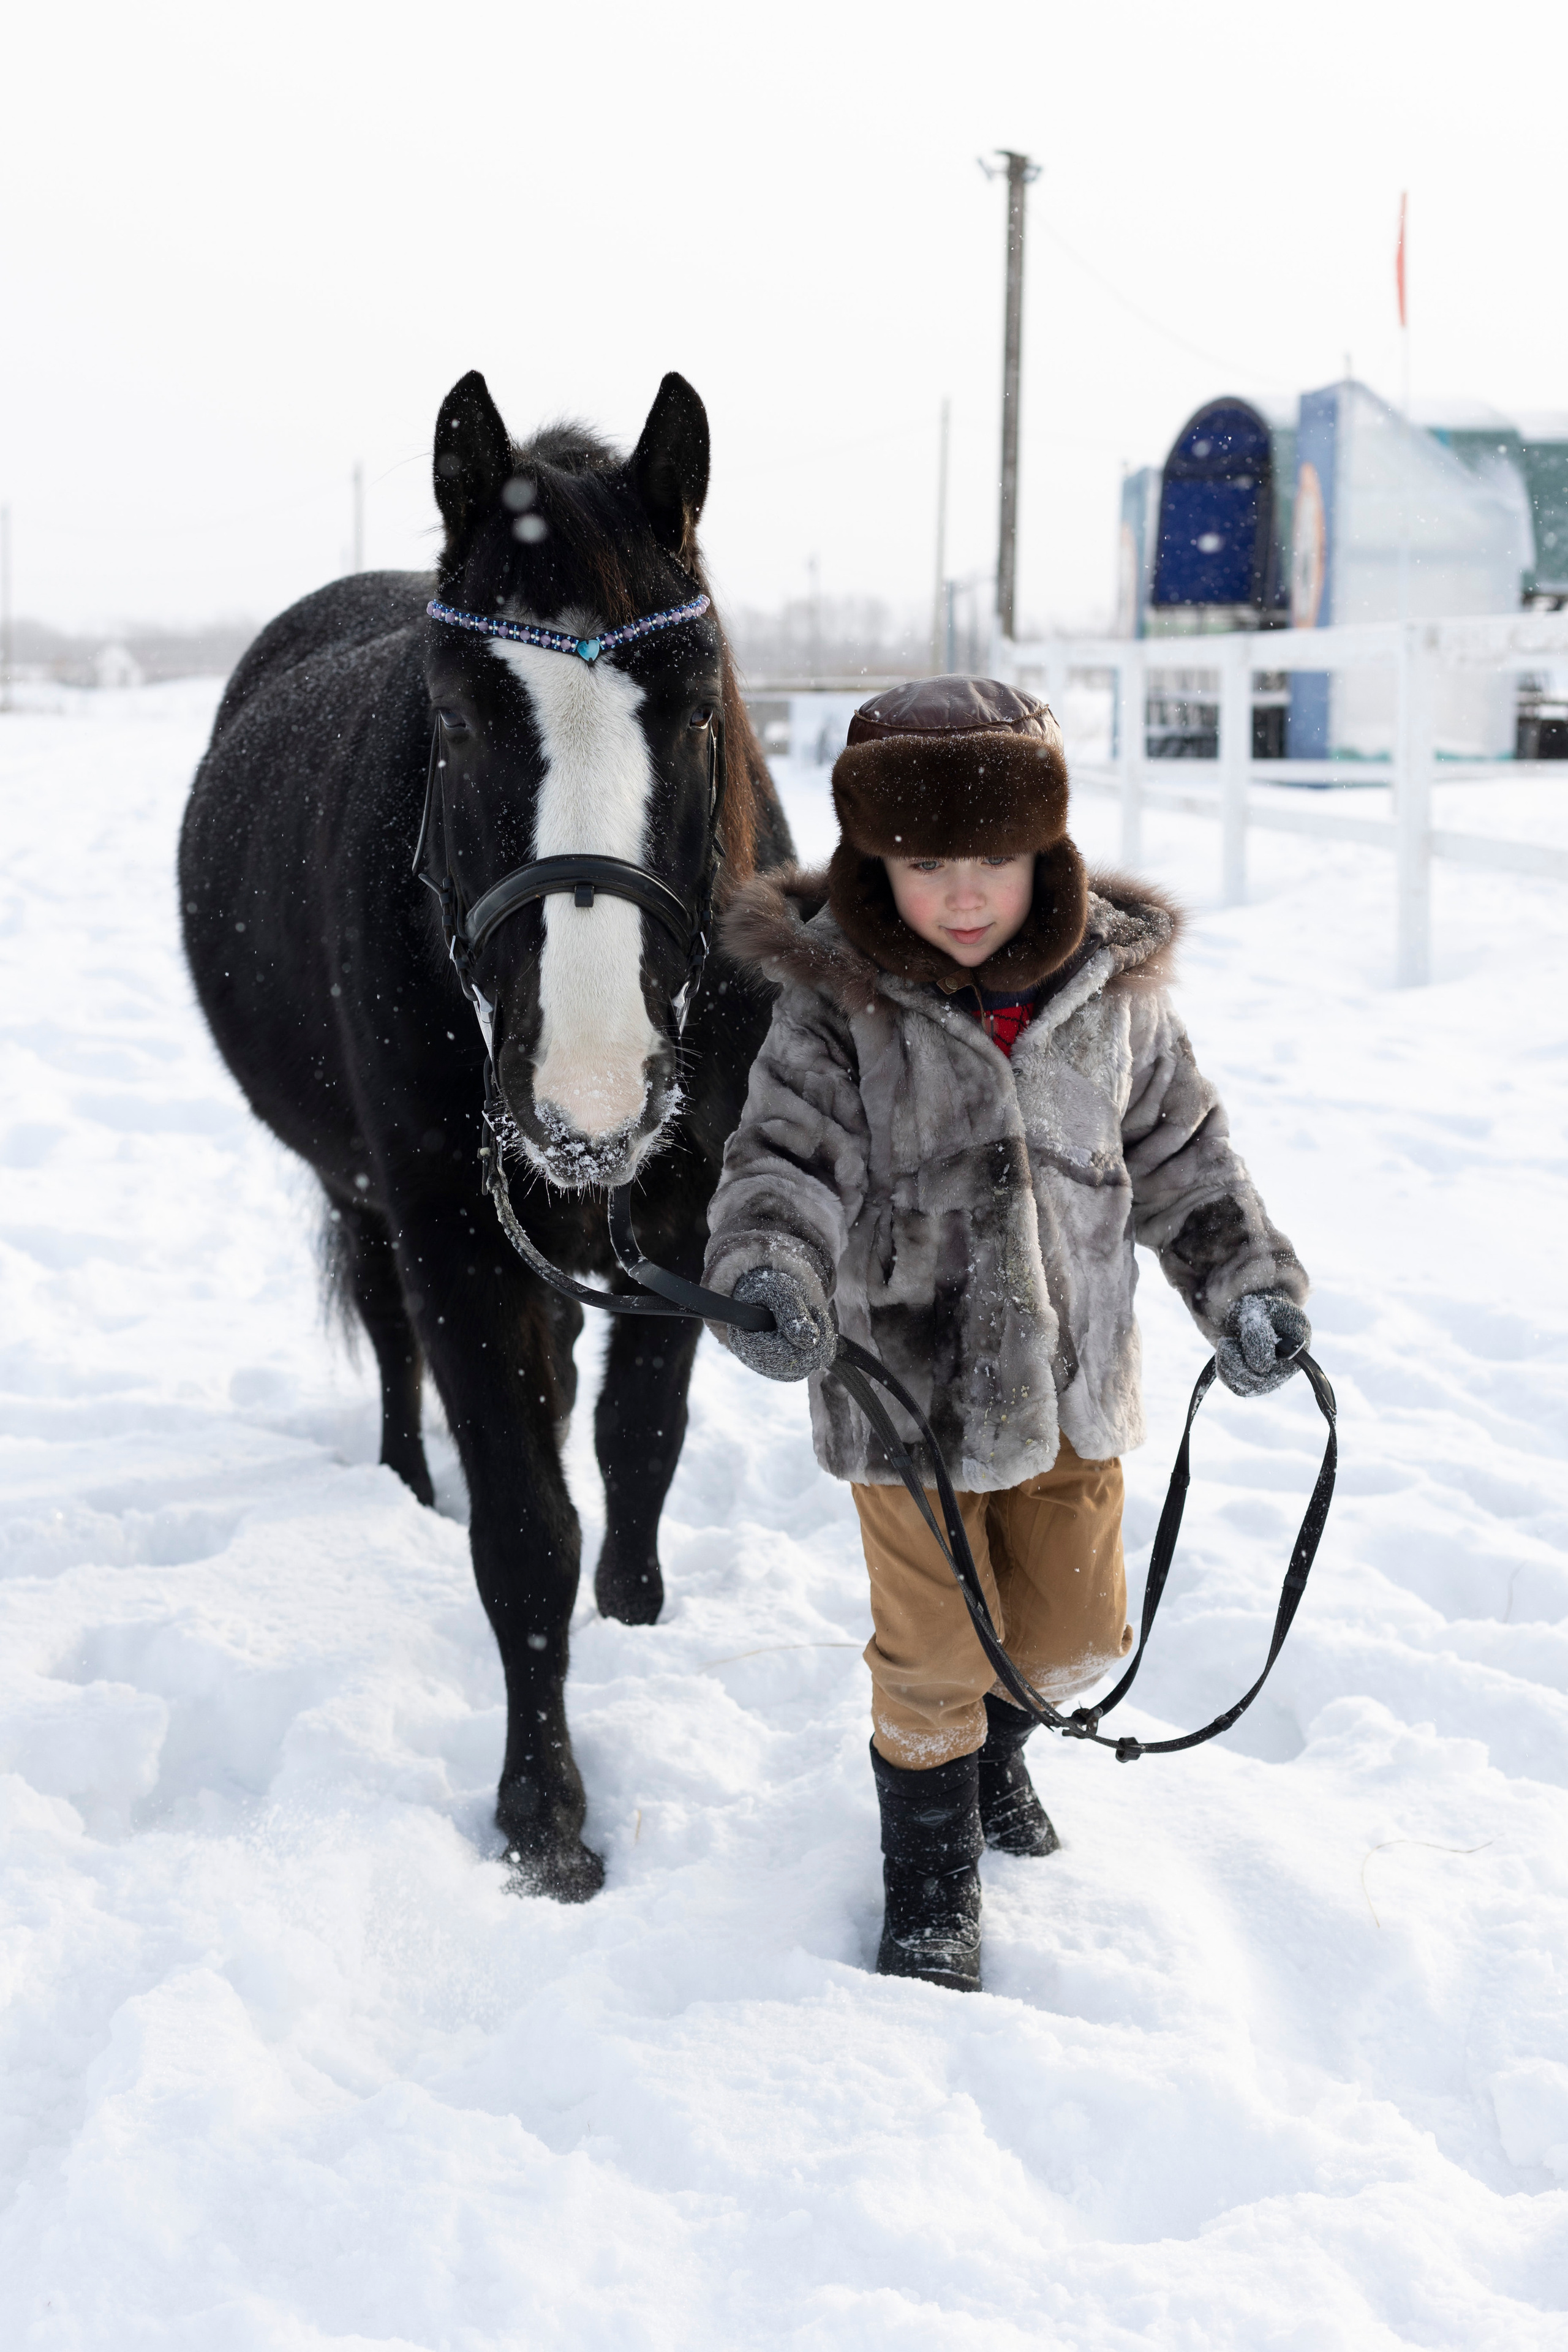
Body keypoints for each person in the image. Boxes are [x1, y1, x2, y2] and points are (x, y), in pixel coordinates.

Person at [703, 677, 1310, 1993]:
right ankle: (929, 1883)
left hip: (1074, 1386)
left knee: (1074, 1636)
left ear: (1048, 854)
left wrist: (1244, 1286)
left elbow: (1186, 1159)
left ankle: (995, 1749)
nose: (962, 896)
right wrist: (770, 1266)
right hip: (903, 1400)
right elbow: (783, 1159)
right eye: (924, 867)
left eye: (994, 863)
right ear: (875, 860)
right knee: (928, 1657)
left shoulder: (1113, 995)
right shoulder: (837, 1004)